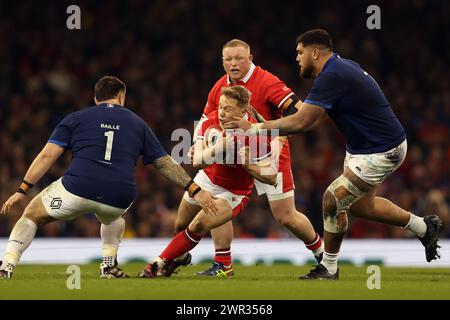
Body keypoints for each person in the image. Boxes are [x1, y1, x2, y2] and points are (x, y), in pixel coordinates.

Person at [225, 29, 443, 280]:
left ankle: (328, 268)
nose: (297, 58)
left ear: (315, 52)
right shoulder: (340, 69)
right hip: (363, 148)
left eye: (300, 52)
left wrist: (254, 127)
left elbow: (302, 122)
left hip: (383, 150)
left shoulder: (333, 76)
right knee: (362, 206)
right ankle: (424, 227)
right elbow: (310, 120)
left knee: (332, 200)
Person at [0, 75, 217, 279]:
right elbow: (164, 163)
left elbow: (48, 155)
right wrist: (194, 188)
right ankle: (108, 265)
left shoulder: (76, 118)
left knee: (32, 214)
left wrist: (23, 190)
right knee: (114, 218)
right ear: (121, 96)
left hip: (78, 186)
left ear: (96, 98)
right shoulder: (138, 123)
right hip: (119, 195)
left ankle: (7, 265)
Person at [189, 39, 323, 277]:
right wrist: (195, 144)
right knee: (221, 198)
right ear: (222, 62)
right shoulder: (219, 86)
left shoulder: (267, 81)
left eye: (239, 58)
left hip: (267, 152)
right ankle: (223, 265)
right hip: (232, 152)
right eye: (228, 59)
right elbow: (204, 119)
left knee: (286, 216)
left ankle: (323, 255)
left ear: (250, 58)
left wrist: (278, 137)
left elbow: (301, 113)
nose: (233, 63)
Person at [138, 86, 279, 278]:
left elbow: (271, 177)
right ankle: (180, 258)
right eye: (221, 107)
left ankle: (156, 264)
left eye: (228, 109)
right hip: (206, 179)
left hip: (233, 192)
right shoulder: (211, 122)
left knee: (198, 225)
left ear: (243, 111)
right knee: (179, 227)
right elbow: (196, 162)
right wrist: (218, 147)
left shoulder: (256, 134)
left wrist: (249, 166)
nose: (221, 112)